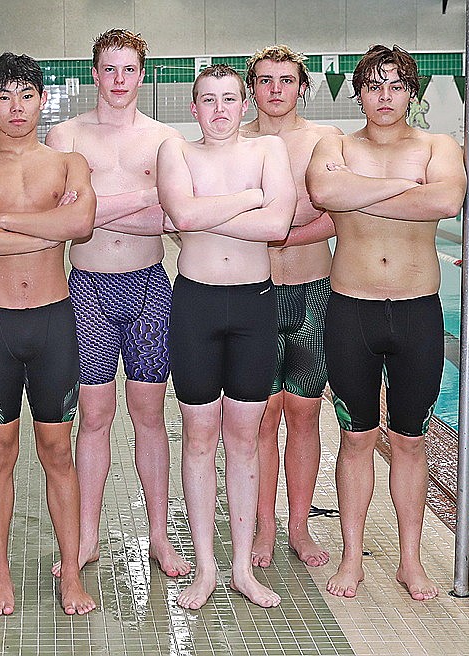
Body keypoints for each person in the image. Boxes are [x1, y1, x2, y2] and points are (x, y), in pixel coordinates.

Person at [306, 45, 465, 601]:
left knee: (410, 442)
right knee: (354, 438)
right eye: (374, 86)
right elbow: (325, 192)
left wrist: (368, 190)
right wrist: (405, 187)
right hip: (352, 311)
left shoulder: (439, 146)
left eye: (396, 85)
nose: (385, 96)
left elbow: (446, 200)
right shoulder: (335, 146)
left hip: (418, 312)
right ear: (359, 94)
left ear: (412, 93)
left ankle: (410, 561)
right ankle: (352, 558)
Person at [0, 52, 97, 617]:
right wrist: (43, 230)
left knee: (59, 451)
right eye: (4, 96)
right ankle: (1, 578)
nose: (16, 107)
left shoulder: (69, 163)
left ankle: (72, 573)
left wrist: (0, 223)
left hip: (54, 322)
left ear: (42, 100)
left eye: (26, 95)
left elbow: (79, 226)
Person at [44, 29, 189, 579]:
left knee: (150, 416)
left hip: (150, 286)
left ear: (142, 73)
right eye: (109, 69)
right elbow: (67, 219)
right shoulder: (65, 137)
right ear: (94, 73)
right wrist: (143, 200)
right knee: (95, 417)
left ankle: (159, 537)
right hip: (88, 291)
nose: (119, 80)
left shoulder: (164, 140)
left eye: (129, 69)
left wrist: (96, 207)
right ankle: (85, 537)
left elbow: (171, 217)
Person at [157, 64, 295, 609]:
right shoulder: (177, 152)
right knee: (198, 438)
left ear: (245, 105)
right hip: (195, 305)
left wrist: (203, 215)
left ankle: (241, 567)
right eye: (208, 100)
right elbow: (183, 216)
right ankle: (206, 568)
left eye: (230, 99)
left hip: (253, 308)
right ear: (193, 109)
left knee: (243, 439)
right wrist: (247, 199)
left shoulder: (268, 152)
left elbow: (277, 226)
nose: (220, 110)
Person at [240, 45, 342, 569]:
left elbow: (341, 213)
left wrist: (285, 235)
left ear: (302, 86)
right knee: (260, 417)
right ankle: (263, 528)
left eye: (285, 80)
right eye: (264, 80)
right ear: (251, 87)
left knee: (304, 414)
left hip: (311, 288)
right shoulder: (234, 141)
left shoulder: (326, 141)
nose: (275, 89)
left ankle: (298, 528)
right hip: (252, 294)